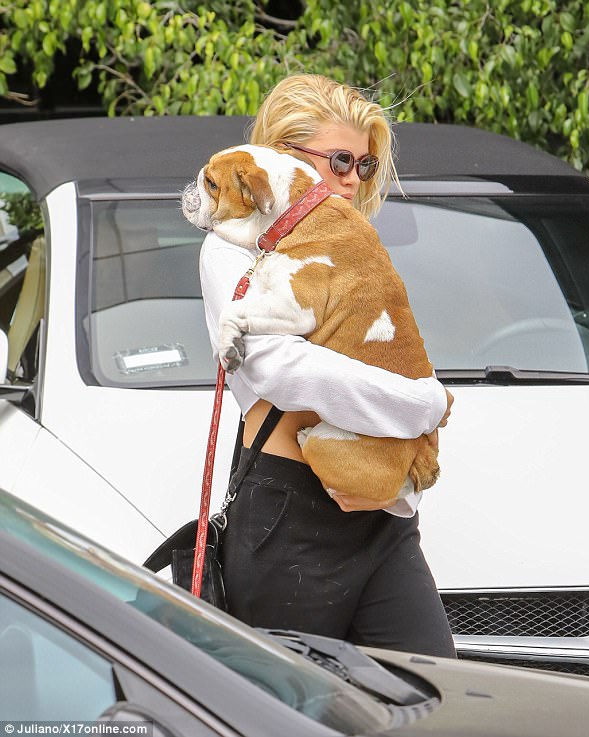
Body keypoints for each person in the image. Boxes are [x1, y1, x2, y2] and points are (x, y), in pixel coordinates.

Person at [199, 73, 456, 657]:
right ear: (281, 154)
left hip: (380, 518)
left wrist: (397, 492)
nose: (352, 179)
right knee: (289, 699)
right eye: (340, 160)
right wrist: (421, 404)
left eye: (364, 166)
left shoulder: (352, 245)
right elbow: (280, 368)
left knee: (435, 688)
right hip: (290, 516)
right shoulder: (230, 249)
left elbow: (395, 355)